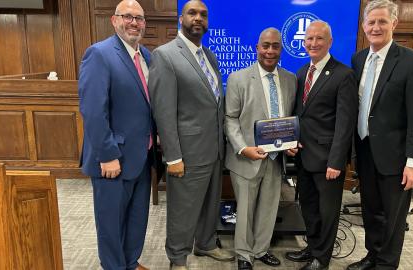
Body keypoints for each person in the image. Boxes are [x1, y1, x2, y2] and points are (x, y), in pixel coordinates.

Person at [149, 1, 234, 269]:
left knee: (210, 203)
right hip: (186, 152)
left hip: (213, 149)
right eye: (192, 13)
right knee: (183, 210)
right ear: (180, 18)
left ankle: (206, 243)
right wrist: (172, 156)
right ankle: (177, 258)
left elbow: (214, 103)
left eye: (203, 15)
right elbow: (163, 111)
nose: (198, 18)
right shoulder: (165, 55)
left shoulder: (209, 56)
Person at [347, 1, 413, 269]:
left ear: (394, 24)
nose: (376, 27)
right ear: (364, 26)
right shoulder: (358, 59)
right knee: (371, 211)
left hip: (396, 157)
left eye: (382, 21)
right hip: (366, 151)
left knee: (393, 216)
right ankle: (372, 256)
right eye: (371, 22)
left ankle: (386, 264)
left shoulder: (412, 61)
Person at [78, 1, 156, 269]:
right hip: (113, 160)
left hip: (142, 156)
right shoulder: (99, 54)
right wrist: (108, 154)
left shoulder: (146, 56)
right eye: (128, 17)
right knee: (111, 224)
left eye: (139, 18)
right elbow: (92, 111)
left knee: (137, 218)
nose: (134, 22)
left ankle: (131, 263)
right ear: (114, 20)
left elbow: (147, 104)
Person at [284, 20, 358, 270]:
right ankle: (312, 248)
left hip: (328, 161)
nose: (313, 43)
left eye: (319, 39)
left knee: (328, 212)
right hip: (304, 156)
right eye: (309, 39)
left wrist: (337, 161)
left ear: (330, 42)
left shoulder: (344, 75)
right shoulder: (303, 72)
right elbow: (299, 115)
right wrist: (290, 141)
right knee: (309, 207)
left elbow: (345, 124)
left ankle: (322, 259)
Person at [225, 28, 297, 270]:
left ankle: (261, 249)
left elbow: (289, 119)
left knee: (268, 207)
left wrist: (291, 143)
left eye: (275, 46)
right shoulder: (238, 78)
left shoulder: (290, 79)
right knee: (244, 210)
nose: (270, 51)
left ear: (281, 49)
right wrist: (243, 148)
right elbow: (230, 118)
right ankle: (244, 255)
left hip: (276, 159)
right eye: (265, 45)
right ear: (257, 48)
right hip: (246, 158)